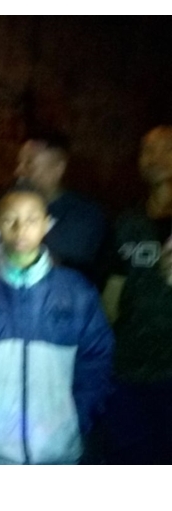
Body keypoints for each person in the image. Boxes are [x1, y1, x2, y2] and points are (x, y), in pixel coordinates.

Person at [0, 181, 114, 465]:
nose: (20, 229)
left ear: (46, 225)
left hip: (57, 451)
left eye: (31, 220)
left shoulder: (77, 292)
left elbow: (97, 360)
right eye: (10, 220)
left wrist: (75, 419)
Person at [101, 125, 172, 464]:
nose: (154, 158)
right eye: (147, 150)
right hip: (125, 368)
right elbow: (112, 295)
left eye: (166, 149)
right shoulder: (127, 221)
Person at [0, 130, 108, 287]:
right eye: (19, 163)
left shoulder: (85, 216)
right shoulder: (4, 207)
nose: (18, 171)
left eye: (29, 164)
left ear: (58, 168)